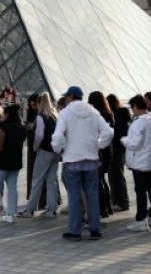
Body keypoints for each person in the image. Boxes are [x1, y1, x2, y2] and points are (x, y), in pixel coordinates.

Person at [52, 86, 114, 241]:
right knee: (92, 195)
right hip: (91, 160)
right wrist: (98, 145)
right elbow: (108, 132)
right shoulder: (93, 112)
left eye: (66, 96)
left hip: (72, 160)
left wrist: (59, 149)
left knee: (73, 197)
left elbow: (58, 136)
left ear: (71, 97)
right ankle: (95, 229)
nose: (65, 99)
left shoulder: (65, 113)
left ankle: (75, 231)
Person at [122, 95, 151, 232]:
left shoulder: (138, 123)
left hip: (138, 160)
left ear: (136, 107)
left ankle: (141, 219)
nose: (133, 111)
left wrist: (124, 140)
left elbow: (134, 144)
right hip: (149, 158)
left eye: (133, 108)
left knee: (140, 190)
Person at [20, 91, 59, 218]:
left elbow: (39, 135)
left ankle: (30, 209)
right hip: (55, 152)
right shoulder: (54, 115)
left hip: (44, 151)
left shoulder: (40, 117)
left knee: (36, 180)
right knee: (51, 181)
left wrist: (36, 147)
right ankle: (52, 209)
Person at [107, 94, 131, 212]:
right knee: (117, 175)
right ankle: (118, 201)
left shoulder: (115, 116)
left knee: (115, 176)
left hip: (115, 148)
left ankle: (120, 202)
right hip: (121, 148)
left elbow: (114, 132)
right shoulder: (124, 113)